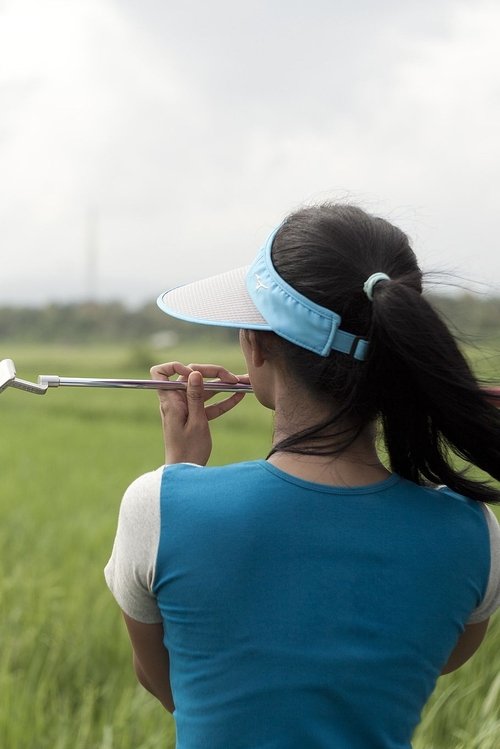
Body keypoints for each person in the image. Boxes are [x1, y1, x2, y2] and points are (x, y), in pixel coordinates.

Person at [105, 203, 500, 748]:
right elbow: (417, 666)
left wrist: (183, 476)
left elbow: (174, 683)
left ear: (257, 345)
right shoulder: (473, 532)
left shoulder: (159, 506)